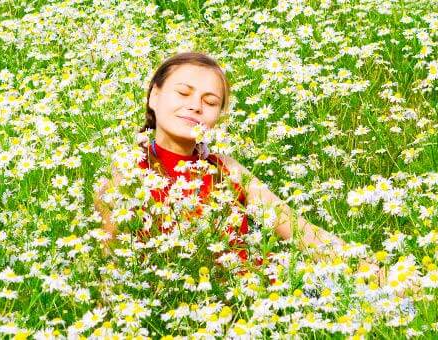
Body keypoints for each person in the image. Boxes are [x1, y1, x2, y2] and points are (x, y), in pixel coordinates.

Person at [94, 52, 348, 263]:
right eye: (183, 93)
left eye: (211, 102)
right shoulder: (125, 176)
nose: (195, 106)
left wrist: (365, 266)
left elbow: (300, 231)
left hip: (249, 307)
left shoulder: (226, 169)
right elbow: (112, 267)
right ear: (154, 96)